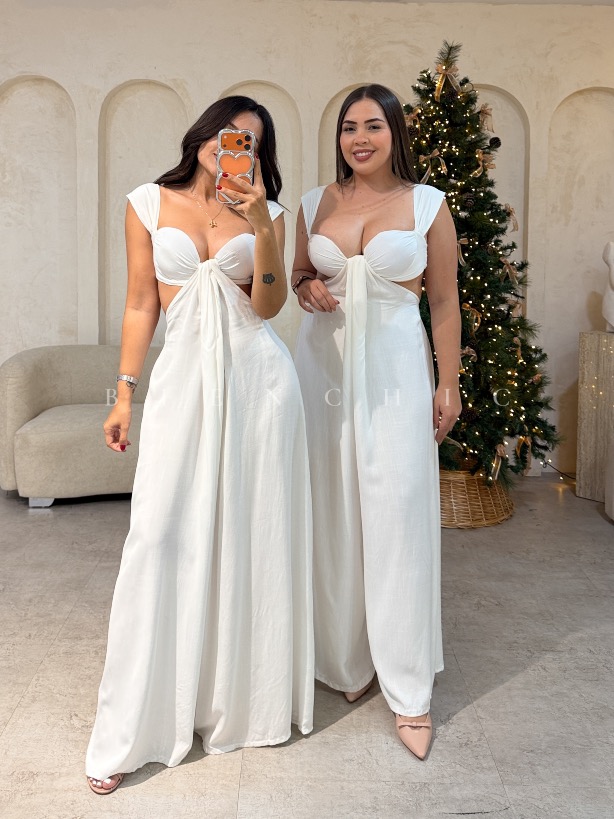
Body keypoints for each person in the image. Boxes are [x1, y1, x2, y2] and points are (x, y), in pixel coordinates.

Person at [86, 96, 314, 794]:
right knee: (157, 537)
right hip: (182, 384)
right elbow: (141, 303)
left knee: (252, 537)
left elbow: (268, 306)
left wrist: (262, 226)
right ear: (204, 135)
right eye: (228, 133)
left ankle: (241, 704)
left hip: (259, 387)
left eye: (252, 141)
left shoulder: (269, 212)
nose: (235, 145)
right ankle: (130, 727)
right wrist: (124, 392)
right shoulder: (147, 203)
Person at [291, 84, 460, 760]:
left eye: (373, 126)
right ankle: (345, 657)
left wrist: (448, 383)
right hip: (322, 369)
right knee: (329, 510)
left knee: (397, 517)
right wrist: (305, 284)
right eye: (348, 127)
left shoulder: (427, 205)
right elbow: (297, 275)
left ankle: (409, 689)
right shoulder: (315, 204)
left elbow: (443, 302)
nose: (359, 138)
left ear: (395, 132)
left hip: (394, 370)